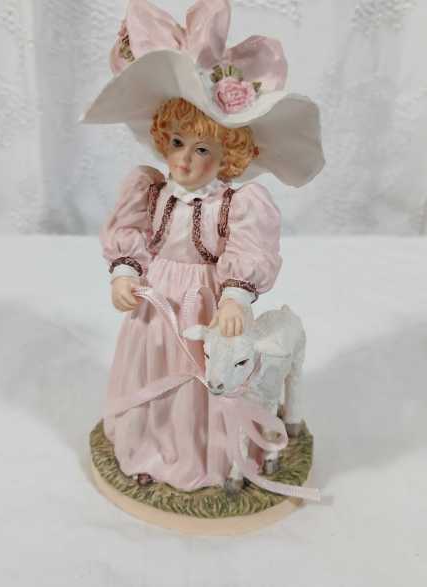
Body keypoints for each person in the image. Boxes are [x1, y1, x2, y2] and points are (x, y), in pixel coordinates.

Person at [82, 0, 324, 491]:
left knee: (204, 375)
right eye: (176, 143)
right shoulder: (149, 189)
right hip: (156, 309)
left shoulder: (236, 203)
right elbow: (132, 237)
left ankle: (207, 453)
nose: (184, 161)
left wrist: (234, 297)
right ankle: (149, 444)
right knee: (153, 368)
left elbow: (249, 249)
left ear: (227, 154)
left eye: (202, 150)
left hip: (208, 304)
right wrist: (125, 273)